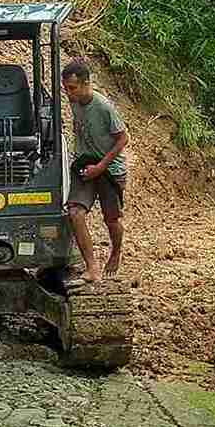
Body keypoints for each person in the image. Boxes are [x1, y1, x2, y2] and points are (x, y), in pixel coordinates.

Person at [61, 58, 129, 285]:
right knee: (75, 213)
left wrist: (100, 167)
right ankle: (92, 267)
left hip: (109, 168)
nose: (68, 94)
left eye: (72, 88)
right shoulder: (74, 102)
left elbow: (123, 138)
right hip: (85, 163)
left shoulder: (103, 107)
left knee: (112, 219)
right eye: (66, 89)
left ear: (86, 83)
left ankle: (116, 251)